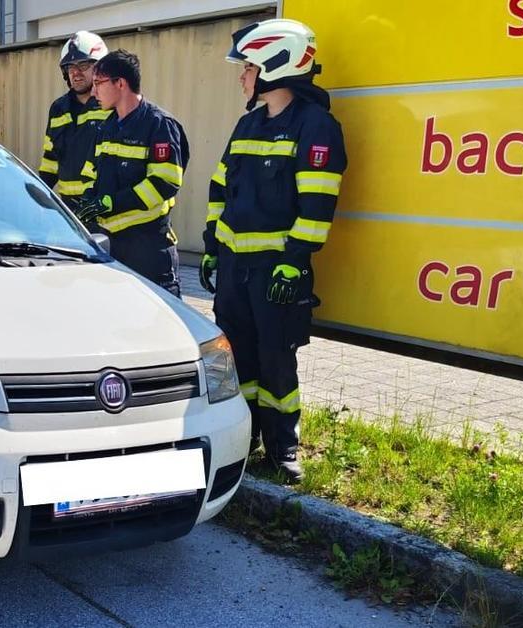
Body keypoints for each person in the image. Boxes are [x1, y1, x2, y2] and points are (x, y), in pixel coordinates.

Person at [199, 18, 347, 482]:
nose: (242, 76)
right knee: (237, 357)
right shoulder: (248, 124)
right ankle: (243, 441)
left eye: (246, 66)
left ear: (273, 64)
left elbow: (319, 203)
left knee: (277, 360)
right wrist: (210, 247)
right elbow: (219, 188)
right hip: (234, 268)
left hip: (277, 271)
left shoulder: (316, 127)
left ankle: (282, 447)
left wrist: (294, 261)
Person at [75, 50, 189, 297]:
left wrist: (110, 203)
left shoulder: (159, 125)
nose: (94, 92)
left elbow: (165, 182)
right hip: (110, 247)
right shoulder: (106, 126)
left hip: (148, 248)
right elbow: (90, 173)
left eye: (98, 83)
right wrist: (87, 201)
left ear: (121, 83)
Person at [38, 31, 111, 207]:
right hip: (69, 208)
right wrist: (38, 197)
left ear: (100, 68)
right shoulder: (58, 109)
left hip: (102, 204)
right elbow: (50, 160)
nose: (76, 73)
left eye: (83, 65)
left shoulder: (110, 106)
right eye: (70, 67)